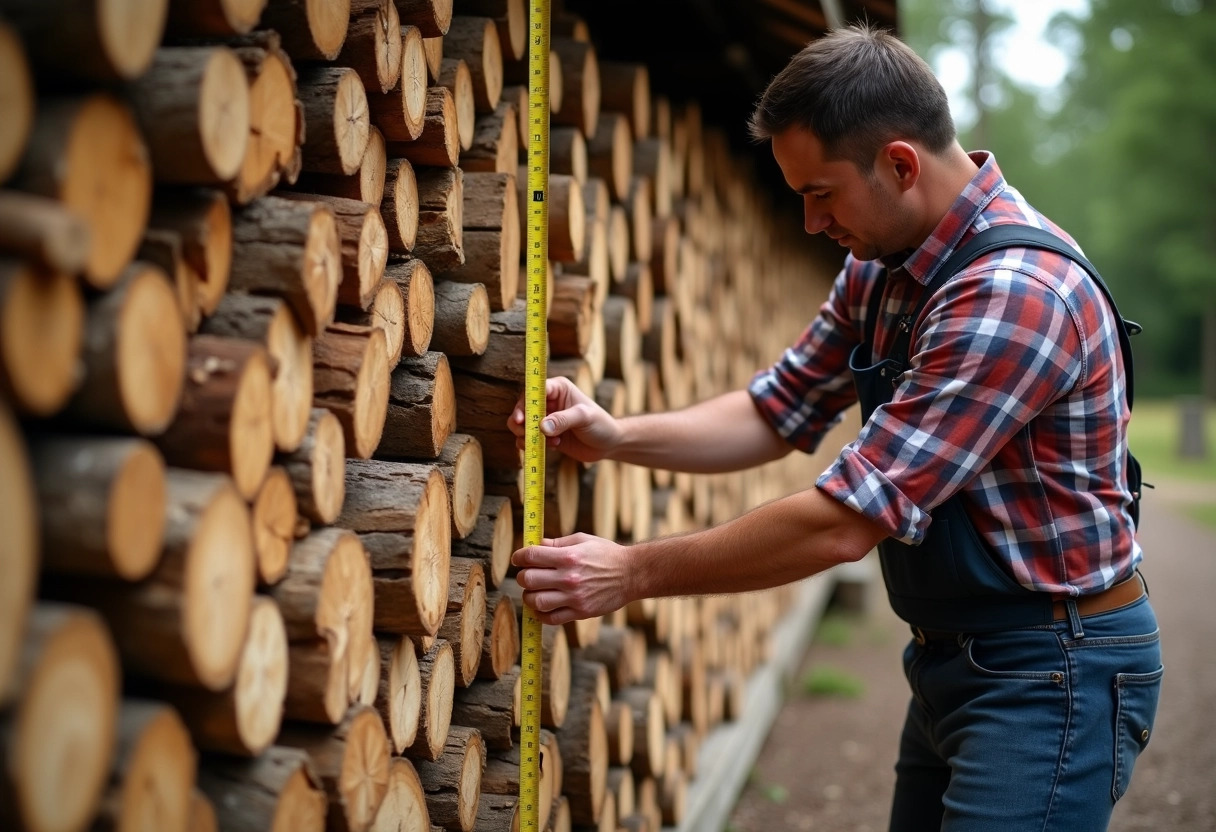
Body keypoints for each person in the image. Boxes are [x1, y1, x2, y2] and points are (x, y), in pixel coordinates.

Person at [508, 23, 1162, 832]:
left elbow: (845, 524)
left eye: (821, 193)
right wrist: (616, 436)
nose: (813, 224)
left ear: (899, 164)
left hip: (1052, 667)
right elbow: (775, 410)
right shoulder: (883, 266)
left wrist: (632, 572)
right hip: (954, 655)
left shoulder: (1015, 295)